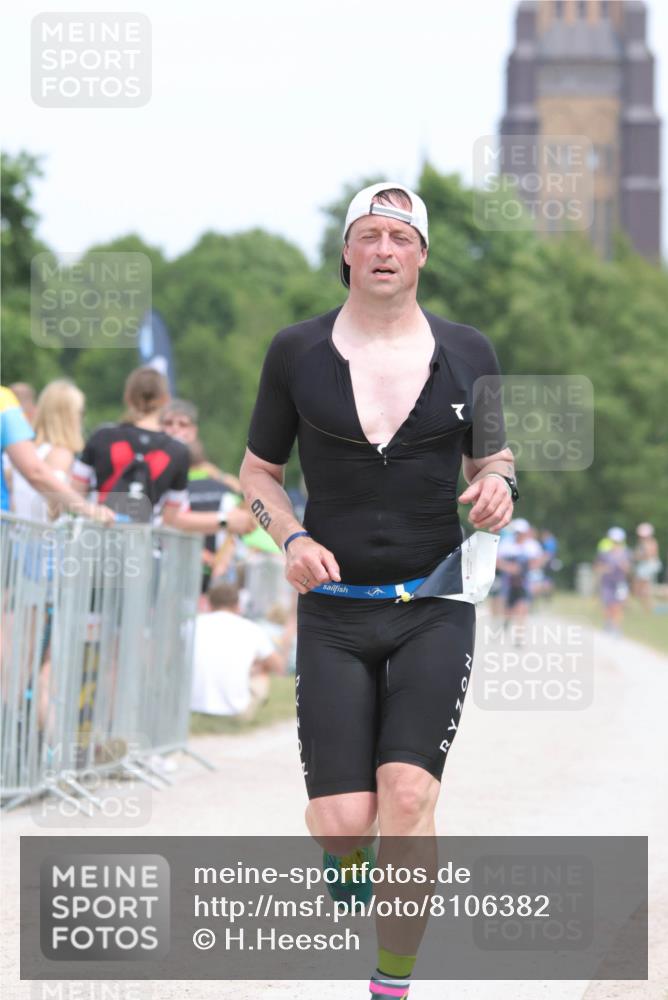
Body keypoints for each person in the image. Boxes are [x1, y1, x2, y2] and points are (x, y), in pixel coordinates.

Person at [239, 182, 518, 999]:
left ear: (422, 254)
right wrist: (287, 536)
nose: (385, 250)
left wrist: (500, 485)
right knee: (343, 820)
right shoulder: (297, 351)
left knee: (408, 795)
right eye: (370, 235)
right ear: (348, 254)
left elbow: (493, 459)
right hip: (333, 614)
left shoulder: (471, 350)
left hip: (434, 603)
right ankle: (342, 853)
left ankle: (390, 984)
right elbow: (258, 471)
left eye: (400, 237)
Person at [72, 367, 253, 536]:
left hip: (96, 541)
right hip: (143, 550)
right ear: (166, 400)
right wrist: (224, 520)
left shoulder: (102, 436)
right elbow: (171, 519)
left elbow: (74, 493)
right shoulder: (177, 451)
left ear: (127, 397)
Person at [190, 579, 287, 720]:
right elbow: (279, 666)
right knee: (262, 676)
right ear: (237, 606)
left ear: (209, 604)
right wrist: (257, 668)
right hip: (235, 710)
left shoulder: (193, 624)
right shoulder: (252, 629)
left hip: (191, 706)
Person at [11, 379, 86, 523]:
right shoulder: (61, 454)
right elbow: (54, 506)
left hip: (19, 535)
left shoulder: (25, 449)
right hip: (43, 539)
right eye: (79, 412)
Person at [496, 518, 545, 635]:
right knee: (508, 605)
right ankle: (507, 620)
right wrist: (508, 567)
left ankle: (519, 632)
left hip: (525, 579)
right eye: (517, 532)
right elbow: (497, 561)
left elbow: (539, 561)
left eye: (521, 532)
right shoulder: (507, 543)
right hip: (508, 580)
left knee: (522, 605)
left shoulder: (532, 545)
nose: (519, 534)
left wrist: (525, 568)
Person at [594, 526, 632, 634]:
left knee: (618, 605)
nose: (616, 544)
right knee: (607, 604)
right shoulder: (604, 553)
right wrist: (604, 569)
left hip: (620, 582)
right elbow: (597, 566)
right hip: (607, 582)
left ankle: (616, 626)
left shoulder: (626, 553)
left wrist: (624, 566)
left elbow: (629, 570)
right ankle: (608, 622)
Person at [632, 522, 662, 612]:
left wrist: (637, 557)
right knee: (642, 590)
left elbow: (649, 555)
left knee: (642, 589)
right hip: (646, 566)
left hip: (647, 566)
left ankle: (649, 607)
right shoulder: (645, 542)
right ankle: (647, 608)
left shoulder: (649, 542)